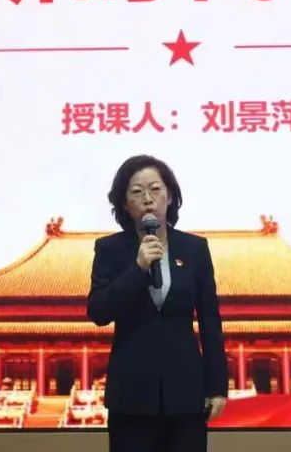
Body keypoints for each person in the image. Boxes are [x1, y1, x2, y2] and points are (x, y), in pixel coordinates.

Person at [87, 155, 228, 452]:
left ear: (170, 196)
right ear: (124, 203)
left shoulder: (195, 248)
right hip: (131, 395)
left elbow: (209, 321)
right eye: (137, 192)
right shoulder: (109, 249)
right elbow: (98, 311)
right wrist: (138, 268)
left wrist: (217, 387)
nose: (148, 200)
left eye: (155, 189)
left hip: (186, 393)